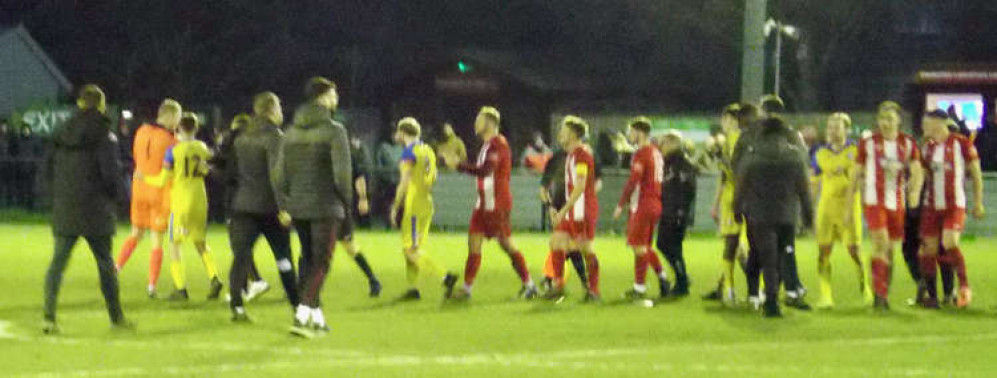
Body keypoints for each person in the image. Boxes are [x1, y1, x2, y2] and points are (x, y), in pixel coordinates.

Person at [43, 84, 132, 334]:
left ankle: (48, 317)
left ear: (80, 103)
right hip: (96, 209)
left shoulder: (61, 131)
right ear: (100, 105)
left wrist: (54, 198)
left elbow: (47, 168)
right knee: (105, 264)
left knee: (57, 264)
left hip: (66, 207)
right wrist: (119, 198)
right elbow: (109, 173)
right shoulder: (104, 133)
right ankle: (116, 318)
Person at [273, 77, 352, 337]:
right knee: (322, 261)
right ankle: (302, 313)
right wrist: (347, 203)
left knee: (308, 260)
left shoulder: (290, 132)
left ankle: (316, 317)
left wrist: (286, 203)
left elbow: (279, 174)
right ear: (323, 97)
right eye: (333, 93)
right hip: (326, 206)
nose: (336, 97)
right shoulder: (335, 130)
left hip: (299, 206)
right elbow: (342, 175)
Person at [440, 107, 537, 300]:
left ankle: (530, 285)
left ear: (490, 123)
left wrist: (459, 166)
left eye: (479, 119)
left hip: (497, 203)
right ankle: (466, 289)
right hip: (483, 203)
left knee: (506, 244)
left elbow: (486, 170)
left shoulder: (498, 144)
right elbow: (482, 170)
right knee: (473, 242)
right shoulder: (487, 145)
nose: (476, 123)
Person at [225, 92, 301, 322]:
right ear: (271, 109)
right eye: (279, 106)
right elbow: (276, 175)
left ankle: (237, 308)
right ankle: (298, 307)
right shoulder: (274, 137)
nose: (281, 111)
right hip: (268, 209)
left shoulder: (241, 137)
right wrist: (284, 207)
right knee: (283, 258)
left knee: (240, 257)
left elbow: (232, 173)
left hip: (242, 207)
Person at [733, 116, 814, 317]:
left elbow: (741, 186)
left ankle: (770, 302)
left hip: (760, 215)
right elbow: (804, 189)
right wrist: (808, 216)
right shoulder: (794, 156)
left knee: (767, 258)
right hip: (787, 215)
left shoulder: (753, 156)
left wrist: (737, 211)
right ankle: (778, 296)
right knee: (783, 255)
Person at [847, 104, 924, 310]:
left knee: (890, 250)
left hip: (896, 203)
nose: (885, 122)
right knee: (880, 244)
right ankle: (879, 297)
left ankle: (884, 293)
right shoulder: (868, 143)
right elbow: (855, 173)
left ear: (898, 120)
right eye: (882, 118)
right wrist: (848, 205)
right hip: (874, 201)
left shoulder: (907, 144)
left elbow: (917, 170)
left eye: (890, 118)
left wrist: (914, 192)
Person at [142, 113, 224, 301]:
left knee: (174, 244)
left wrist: (144, 178)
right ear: (195, 129)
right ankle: (214, 278)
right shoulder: (203, 148)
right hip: (200, 201)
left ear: (178, 129)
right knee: (201, 243)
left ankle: (180, 288)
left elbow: (162, 180)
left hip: (180, 202)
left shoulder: (174, 151)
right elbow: (211, 165)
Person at [917, 109, 985, 309]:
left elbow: (976, 174)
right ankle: (933, 296)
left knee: (949, 242)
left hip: (954, 204)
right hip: (931, 206)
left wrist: (978, 202)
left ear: (939, 122)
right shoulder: (927, 148)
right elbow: (922, 176)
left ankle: (964, 286)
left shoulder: (962, 143)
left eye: (926, 123)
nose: (924, 128)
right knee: (927, 250)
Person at [115, 99, 181, 298]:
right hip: (158, 191)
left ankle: (114, 269)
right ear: (169, 116)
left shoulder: (141, 131)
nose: (177, 124)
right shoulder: (171, 140)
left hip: (139, 187)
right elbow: (173, 165)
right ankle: (151, 286)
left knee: (136, 233)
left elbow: (136, 156)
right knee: (156, 241)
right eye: (176, 119)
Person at [390, 117, 459, 300]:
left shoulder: (409, 153)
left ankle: (445, 277)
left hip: (413, 204)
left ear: (403, 133)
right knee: (414, 249)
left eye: (398, 131)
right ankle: (413, 288)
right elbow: (434, 176)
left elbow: (404, 182)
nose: (396, 135)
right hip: (427, 202)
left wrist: (395, 206)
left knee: (410, 250)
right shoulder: (428, 150)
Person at [812, 113, 872, 309]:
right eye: (830, 127)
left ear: (846, 129)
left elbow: (861, 180)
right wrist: (810, 207)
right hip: (826, 209)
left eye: (837, 127)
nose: (832, 131)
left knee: (854, 250)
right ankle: (825, 295)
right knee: (823, 251)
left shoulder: (856, 151)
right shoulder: (820, 152)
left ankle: (866, 290)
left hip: (849, 207)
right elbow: (814, 181)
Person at [543, 115, 601, 301]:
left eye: (564, 131)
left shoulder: (582, 154)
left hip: (581, 211)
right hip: (572, 211)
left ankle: (594, 291)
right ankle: (558, 286)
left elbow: (581, 185)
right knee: (556, 242)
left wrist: (563, 210)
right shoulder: (571, 155)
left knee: (586, 249)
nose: (560, 134)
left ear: (574, 135)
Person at [613, 117, 669, 299]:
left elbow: (633, 180)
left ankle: (640, 287)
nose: (629, 135)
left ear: (640, 132)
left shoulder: (642, 153)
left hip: (644, 204)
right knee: (644, 246)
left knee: (638, 246)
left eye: (631, 131)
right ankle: (662, 279)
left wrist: (621, 203)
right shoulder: (656, 152)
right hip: (655, 202)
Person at [218, 114, 271, 302]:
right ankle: (247, 286)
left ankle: (253, 282)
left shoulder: (234, 146)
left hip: (237, 202)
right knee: (244, 246)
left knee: (239, 246)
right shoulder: (255, 145)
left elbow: (229, 176)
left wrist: (211, 170)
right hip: (258, 201)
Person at [705, 103, 748, 303]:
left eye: (725, 119)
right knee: (741, 245)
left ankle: (730, 290)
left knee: (735, 245)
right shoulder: (743, 139)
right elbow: (724, 175)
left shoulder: (734, 139)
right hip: (741, 196)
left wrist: (715, 152)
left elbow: (731, 170)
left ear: (731, 119)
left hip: (736, 197)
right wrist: (715, 203)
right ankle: (730, 289)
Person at [331, 130, 382, 298]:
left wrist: (363, 198)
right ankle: (301, 287)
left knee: (347, 245)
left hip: (338, 206)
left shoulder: (348, 156)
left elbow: (359, 177)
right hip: (328, 205)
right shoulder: (333, 153)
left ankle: (373, 279)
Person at [656, 130, 697, 297]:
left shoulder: (682, 163)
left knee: (669, 246)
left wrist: (681, 211)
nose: (661, 147)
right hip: (669, 210)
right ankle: (682, 278)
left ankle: (682, 282)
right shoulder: (669, 163)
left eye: (664, 143)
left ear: (673, 143)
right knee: (668, 246)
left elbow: (687, 189)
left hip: (676, 212)